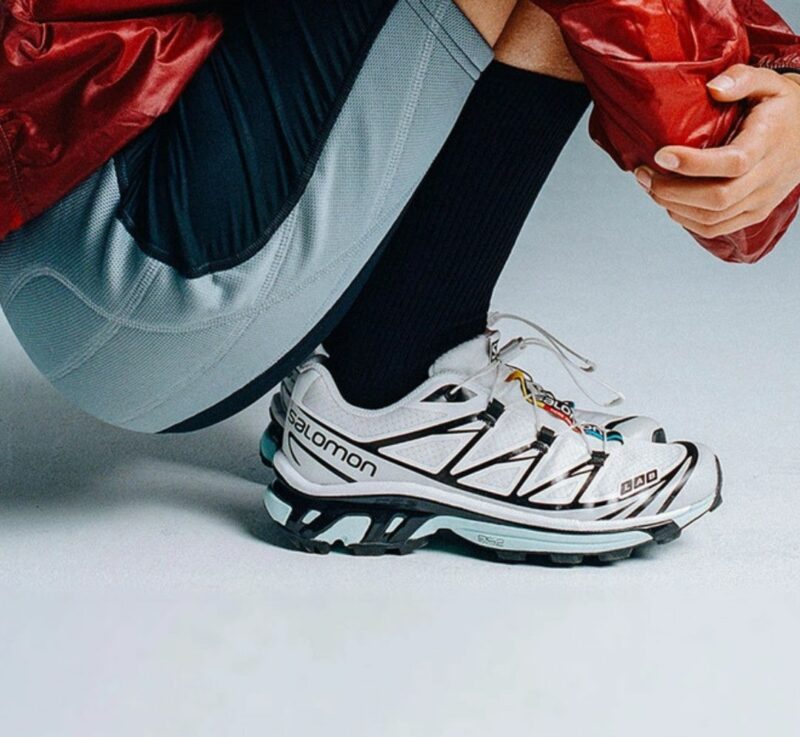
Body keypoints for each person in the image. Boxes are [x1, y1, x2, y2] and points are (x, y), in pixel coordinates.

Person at [2, 1, 799, 563]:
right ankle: (391, 382)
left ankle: (388, 349)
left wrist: (780, 79)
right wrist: (732, 123)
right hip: (141, 270)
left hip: (76, 190)